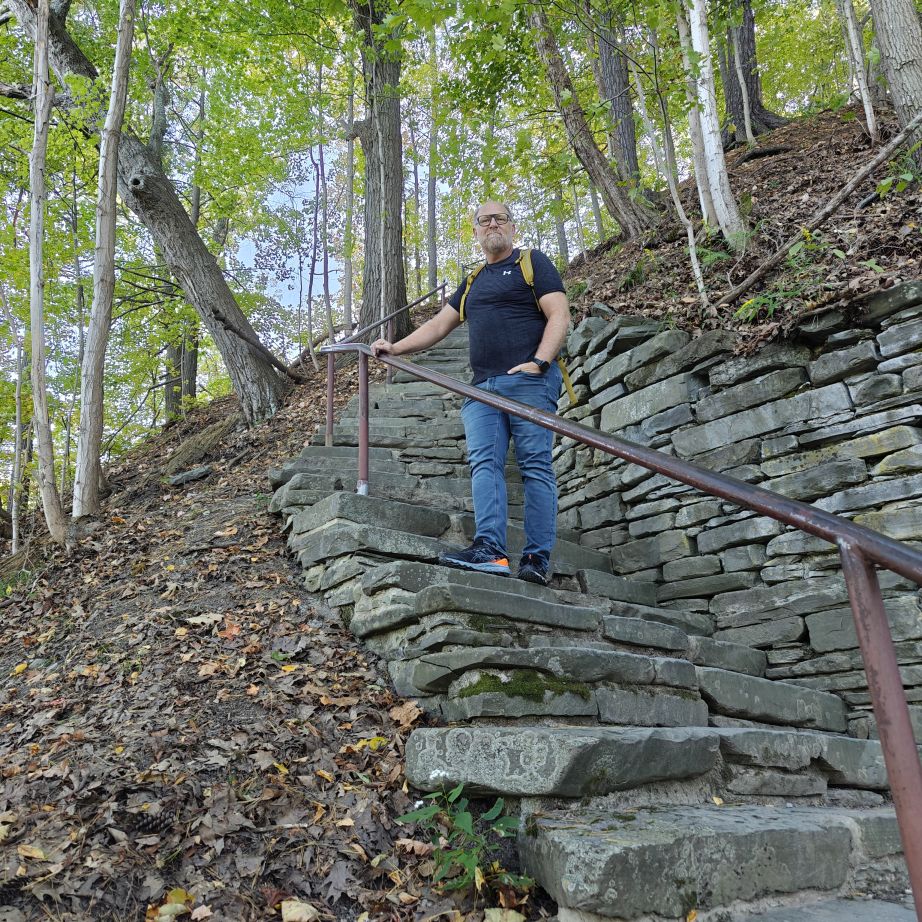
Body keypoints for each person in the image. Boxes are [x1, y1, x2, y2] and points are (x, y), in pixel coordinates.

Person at [372, 201, 570, 586]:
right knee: (484, 464)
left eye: (500, 218)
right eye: (484, 220)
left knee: (535, 466)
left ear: (512, 226)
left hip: (528, 382)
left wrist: (540, 362)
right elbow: (439, 325)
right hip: (481, 389)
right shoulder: (473, 280)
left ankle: (536, 558)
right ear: (476, 231)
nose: (493, 224)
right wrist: (395, 348)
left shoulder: (532, 262)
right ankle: (491, 550)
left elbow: (558, 314)